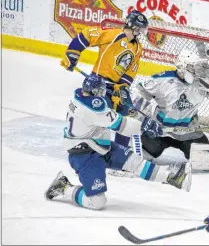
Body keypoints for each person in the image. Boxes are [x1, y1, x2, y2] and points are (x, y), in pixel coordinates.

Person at [45, 74, 192, 210]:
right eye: (101, 91)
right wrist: (145, 127)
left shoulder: (79, 97)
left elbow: (110, 114)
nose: (103, 94)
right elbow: (122, 126)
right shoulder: (92, 108)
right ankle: (64, 187)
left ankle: (172, 176)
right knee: (97, 202)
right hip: (85, 155)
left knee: (135, 161)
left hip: (99, 145)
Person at [129, 49, 209, 172]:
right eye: (191, 68)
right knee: (137, 157)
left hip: (189, 131)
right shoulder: (162, 80)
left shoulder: (200, 81)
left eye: (194, 67)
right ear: (181, 66)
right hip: (160, 130)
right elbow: (138, 92)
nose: (195, 71)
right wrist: (142, 114)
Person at [60, 10, 149, 148]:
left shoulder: (138, 48)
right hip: (98, 83)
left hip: (116, 87)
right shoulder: (113, 35)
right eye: (141, 28)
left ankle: (122, 150)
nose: (142, 32)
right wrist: (73, 52)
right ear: (133, 26)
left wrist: (123, 87)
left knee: (126, 115)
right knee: (101, 114)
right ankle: (93, 146)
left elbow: (131, 70)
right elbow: (87, 34)